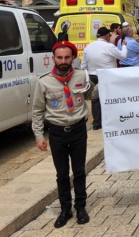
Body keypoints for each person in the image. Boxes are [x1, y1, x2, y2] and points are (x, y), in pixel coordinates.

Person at [32, 41, 94, 228]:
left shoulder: (82, 75)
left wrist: (112, 83)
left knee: (79, 171)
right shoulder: (44, 81)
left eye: (67, 57)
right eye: (59, 57)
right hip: (57, 133)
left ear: (73, 57)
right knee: (62, 174)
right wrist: (39, 136)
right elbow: (37, 111)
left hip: (78, 130)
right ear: (53, 58)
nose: (63, 61)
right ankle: (65, 209)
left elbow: (91, 95)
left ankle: (81, 207)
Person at [80, 27, 127, 130]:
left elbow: (83, 65)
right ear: (106, 36)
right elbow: (123, 56)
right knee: (110, 99)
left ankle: (97, 123)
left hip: (92, 76)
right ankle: (111, 121)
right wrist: (123, 46)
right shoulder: (109, 46)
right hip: (106, 75)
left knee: (95, 100)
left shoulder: (88, 47)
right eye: (109, 36)